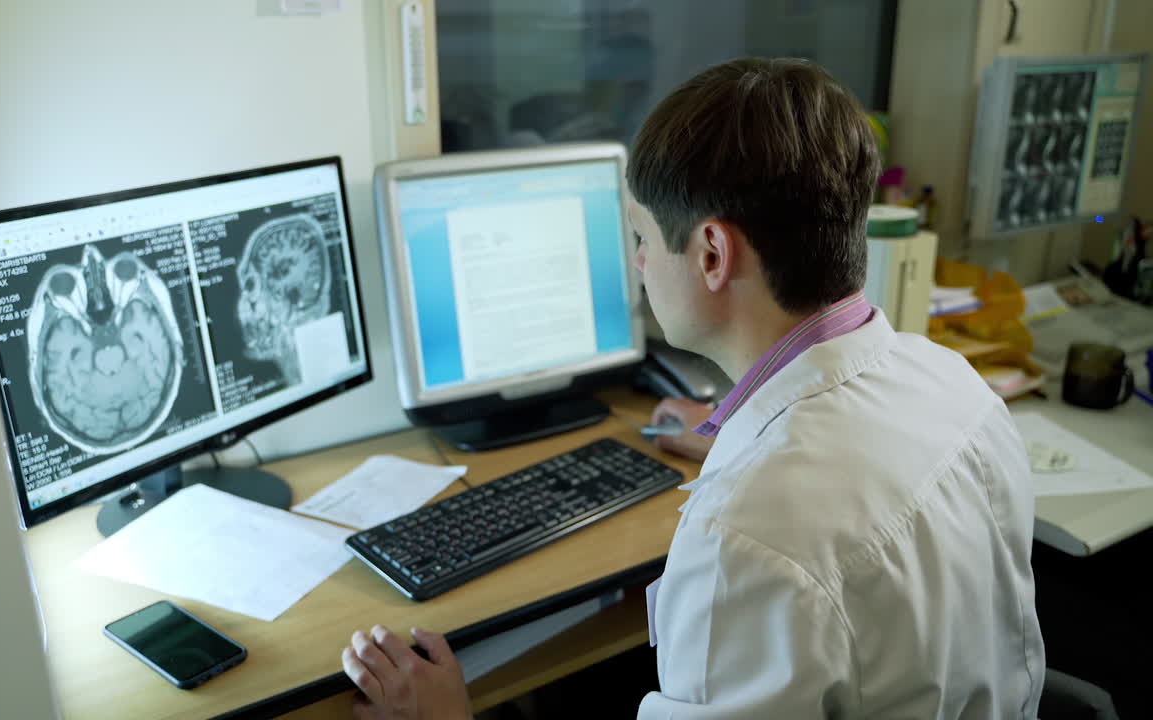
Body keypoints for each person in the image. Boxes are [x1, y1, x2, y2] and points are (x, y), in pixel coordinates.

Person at [340, 57, 1045, 719]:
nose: (640, 262)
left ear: (711, 252)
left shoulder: (743, 540)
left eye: (642, 237)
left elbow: (800, 531)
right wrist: (738, 442)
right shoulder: (957, 385)